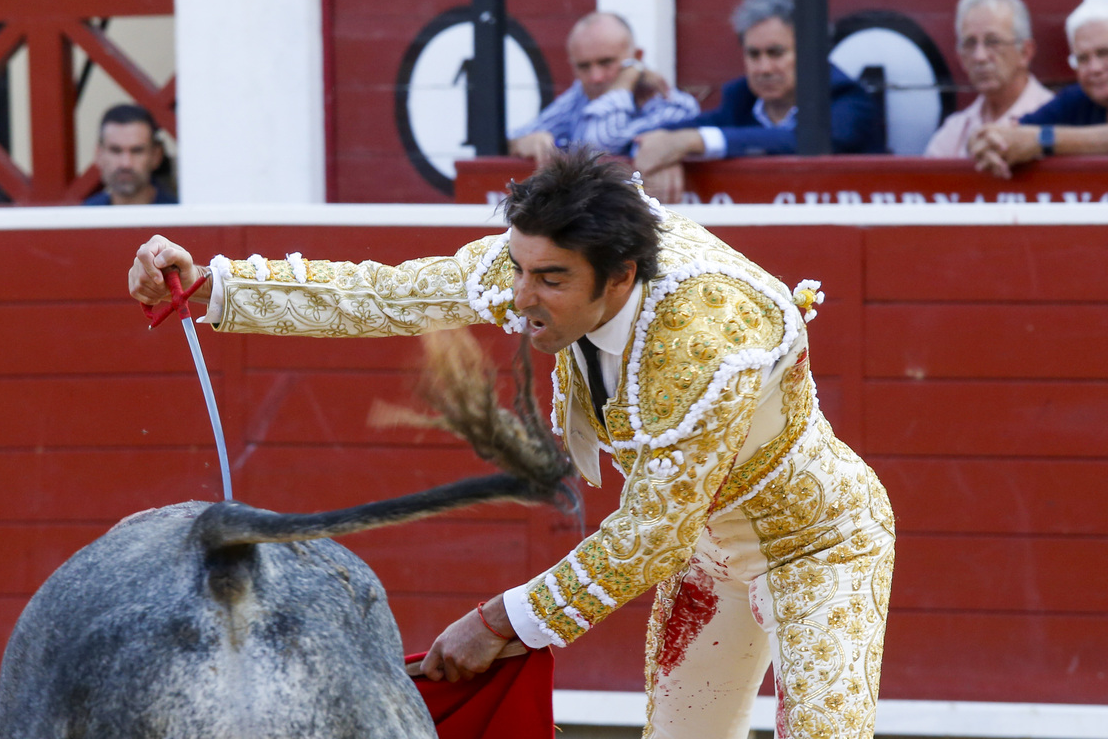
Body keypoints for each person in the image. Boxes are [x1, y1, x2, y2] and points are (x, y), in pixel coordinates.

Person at [128, 148, 895, 739]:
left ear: (622, 277)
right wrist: (218, 288)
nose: (522, 299)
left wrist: (499, 620)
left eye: (550, 281)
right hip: (708, 552)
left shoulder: (710, 337)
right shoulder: (541, 260)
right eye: (520, 270)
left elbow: (647, 540)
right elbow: (398, 293)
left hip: (815, 546)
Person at [631, 0, 883, 204]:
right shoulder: (741, 101)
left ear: (811, 53)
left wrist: (691, 142)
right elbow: (640, 140)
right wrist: (663, 155)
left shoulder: (848, 99)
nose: (763, 68)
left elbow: (811, 142)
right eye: (754, 55)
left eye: (776, 53)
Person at [508, 12, 699, 164]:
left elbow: (600, 145)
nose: (595, 77)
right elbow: (509, 139)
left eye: (606, 62)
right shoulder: (580, 95)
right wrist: (522, 143)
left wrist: (624, 82)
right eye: (583, 66)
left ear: (638, 56)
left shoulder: (672, 104)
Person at [970, 0, 1108, 178]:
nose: (1095, 68)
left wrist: (1043, 140)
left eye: (1104, 53)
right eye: (1082, 59)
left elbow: (1034, 137)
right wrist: (982, 141)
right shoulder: (1076, 100)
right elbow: (1014, 134)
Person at [923, 0, 1053, 158]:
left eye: (993, 42)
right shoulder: (954, 131)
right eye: (970, 43)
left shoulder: (1058, 121)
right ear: (960, 58)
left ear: (1025, 52)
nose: (980, 56)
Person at [84, 104, 178, 206]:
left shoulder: (181, 218)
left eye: (137, 151)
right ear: (99, 155)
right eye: (116, 151)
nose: (126, 163)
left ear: (156, 156)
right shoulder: (82, 218)